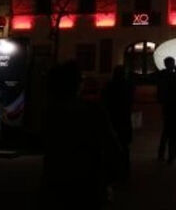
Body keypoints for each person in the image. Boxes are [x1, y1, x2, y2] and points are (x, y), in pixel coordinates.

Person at [41, 61, 122, 210]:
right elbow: (111, 144)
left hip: (57, 178)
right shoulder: (93, 110)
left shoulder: (50, 112)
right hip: (87, 177)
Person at [102, 65, 134, 177]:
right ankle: (124, 170)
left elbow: (105, 102)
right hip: (123, 119)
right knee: (124, 146)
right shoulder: (128, 86)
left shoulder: (110, 86)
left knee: (114, 145)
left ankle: (114, 170)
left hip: (113, 119)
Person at [157, 56, 175, 160]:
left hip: (167, 105)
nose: (173, 65)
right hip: (170, 106)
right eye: (172, 63)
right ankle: (169, 153)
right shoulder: (170, 76)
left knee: (167, 130)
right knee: (169, 130)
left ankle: (163, 152)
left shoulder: (162, 75)